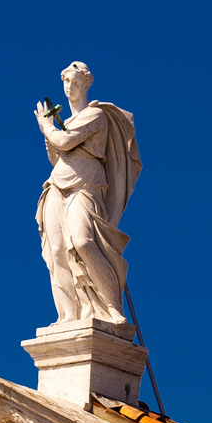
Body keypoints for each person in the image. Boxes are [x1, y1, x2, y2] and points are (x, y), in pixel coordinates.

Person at [34, 62, 141, 325]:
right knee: (57, 252)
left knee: (82, 241)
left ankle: (111, 306)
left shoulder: (95, 115)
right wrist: (52, 135)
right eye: (66, 82)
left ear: (86, 84)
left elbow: (65, 142)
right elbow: (56, 157)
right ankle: (68, 314)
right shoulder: (67, 122)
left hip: (85, 185)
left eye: (76, 82)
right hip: (56, 186)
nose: (70, 87)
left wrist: (48, 128)